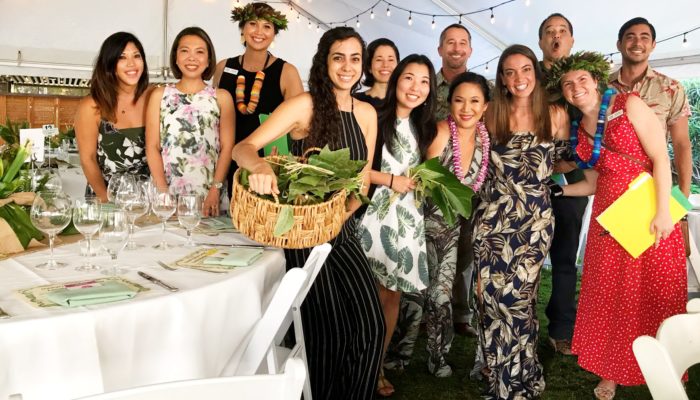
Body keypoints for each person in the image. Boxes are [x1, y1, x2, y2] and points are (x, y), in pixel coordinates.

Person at [231, 27, 384, 400]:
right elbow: (243, 147)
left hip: (342, 233)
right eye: (338, 57)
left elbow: (362, 184)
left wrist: (340, 217)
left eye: (354, 58)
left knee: (371, 329)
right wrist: (260, 168)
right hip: (304, 236)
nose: (347, 67)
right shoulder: (305, 105)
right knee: (326, 337)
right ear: (324, 61)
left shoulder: (366, 112)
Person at [549, 51, 687, 400]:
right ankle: (611, 372)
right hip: (609, 218)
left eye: (581, 79)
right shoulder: (581, 133)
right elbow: (593, 183)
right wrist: (557, 190)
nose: (575, 87)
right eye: (568, 84)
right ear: (564, 93)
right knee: (611, 296)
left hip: (647, 208)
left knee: (653, 291)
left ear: (596, 81)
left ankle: (666, 363)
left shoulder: (629, 104)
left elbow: (660, 157)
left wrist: (663, 212)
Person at [472, 44, 568, 399]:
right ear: (501, 78)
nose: (519, 78)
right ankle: (501, 378)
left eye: (525, 69)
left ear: (535, 72)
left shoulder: (555, 115)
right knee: (490, 299)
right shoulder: (491, 112)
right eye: (510, 72)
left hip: (534, 221)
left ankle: (522, 378)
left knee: (518, 300)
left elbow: (563, 162)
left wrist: (545, 189)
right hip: (492, 218)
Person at [357, 54, 437, 397]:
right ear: (396, 80)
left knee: (391, 295)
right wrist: (390, 179)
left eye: (423, 81)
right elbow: (353, 167)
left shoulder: (426, 127)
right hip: (369, 213)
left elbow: (429, 175)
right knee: (362, 292)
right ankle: (352, 360)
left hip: (405, 220)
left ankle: (375, 365)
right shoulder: (374, 116)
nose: (415, 87)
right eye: (409, 78)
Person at [423, 72, 491, 378]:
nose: (466, 108)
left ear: (486, 106)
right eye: (459, 100)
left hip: (469, 227)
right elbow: (424, 184)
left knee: (468, 290)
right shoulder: (439, 133)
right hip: (435, 225)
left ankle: (482, 356)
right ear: (449, 103)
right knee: (437, 294)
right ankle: (435, 356)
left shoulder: (486, 140)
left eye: (474, 101)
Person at [213, 2, 303, 194]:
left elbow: (298, 124)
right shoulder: (222, 68)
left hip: (267, 165)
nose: (259, 31)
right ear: (242, 28)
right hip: (226, 161)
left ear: (274, 34)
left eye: (267, 26)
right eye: (253, 23)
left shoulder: (287, 72)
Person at [537, 12, 587, 356]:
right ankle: (520, 323)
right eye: (549, 32)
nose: (556, 37)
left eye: (562, 32)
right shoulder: (528, 76)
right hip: (528, 181)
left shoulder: (583, 79)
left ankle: (561, 329)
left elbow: (595, 127)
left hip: (571, 181)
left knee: (565, 258)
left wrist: (573, 160)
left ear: (571, 40)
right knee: (523, 255)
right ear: (541, 41)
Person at [145, 27, 234, 217]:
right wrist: (163, 193)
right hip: (168, 195)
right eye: (184, 51)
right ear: (175, 57)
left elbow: (227, 147)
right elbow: (152, 146)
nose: (191, 58)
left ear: (209, 59)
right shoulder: (159, 95)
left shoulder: (221, 97)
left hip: (210, 197)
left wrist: (215, 190)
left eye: (199, 52)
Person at [610, 17, 692, 197]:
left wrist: (683, 195)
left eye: (645, 37)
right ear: (619, 44)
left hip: (656, 186)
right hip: (611, 186)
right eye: (630, 37)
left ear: (653, 44)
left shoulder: (671, 88)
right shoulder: (601, 88)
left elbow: (681, 143)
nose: (638, 42)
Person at [74, 32, 151, 202]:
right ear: (110, 64)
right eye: (122, 57)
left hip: (148, 202)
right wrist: (106, 201)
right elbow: (88, 159)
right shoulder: (91, 106)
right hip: (106, 200)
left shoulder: (154, 98)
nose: (132, 63)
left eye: (136, 56)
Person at [354, 38, 400, 109]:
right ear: (369, 67)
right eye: (379, 60)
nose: (385, 65)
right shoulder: (354, 100)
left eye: (390, 60)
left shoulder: (404, 102)